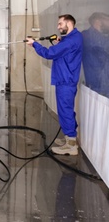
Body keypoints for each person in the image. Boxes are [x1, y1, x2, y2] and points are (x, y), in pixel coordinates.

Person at [26, 14, 83, 155]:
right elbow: (64, 49)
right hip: (66, 79)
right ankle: (70, 138)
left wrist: (34, 44)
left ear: (69, 24)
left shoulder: (69, 42)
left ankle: (71, 146)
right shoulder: (73, 38)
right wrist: (60, 40)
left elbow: (49, 53)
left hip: (66, 81)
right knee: (67, 110)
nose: (58, 27)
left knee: (65, 111)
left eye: (60, 24)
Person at [81, 12, 109, 97]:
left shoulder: (101, 38)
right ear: (98, 22)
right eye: (107, 20)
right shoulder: (87, 37)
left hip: (101, 86)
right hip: (99, 87)